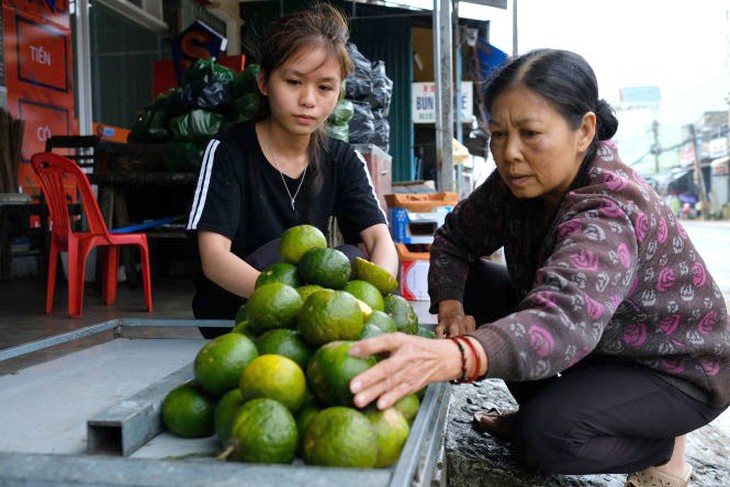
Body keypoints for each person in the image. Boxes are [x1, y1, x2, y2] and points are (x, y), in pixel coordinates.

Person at [349, 49, 729, 487]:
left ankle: (661, 445)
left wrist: (457, 356)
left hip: (671, 369)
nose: (509, 153)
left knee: (542, 439)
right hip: (599, 345)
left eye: (530, 133)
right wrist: (451, 306)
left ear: (584, 130)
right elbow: (454, 240)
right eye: (498, 134)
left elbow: (562, 319)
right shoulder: (520, 178)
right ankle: (562, 407)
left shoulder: (608, 209)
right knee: (476, 284)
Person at [186, 4, 398, 338]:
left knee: (350, 257)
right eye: (294, 81)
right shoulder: (228, 152)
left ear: (339, 92)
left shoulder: (342, 159)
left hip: (313, 318)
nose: (308, 100)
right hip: (236, 314)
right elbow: (214, 258)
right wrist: (294, 303)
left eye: (325, 87)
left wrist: (370, 298)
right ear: (264, 81)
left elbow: (379, 240)